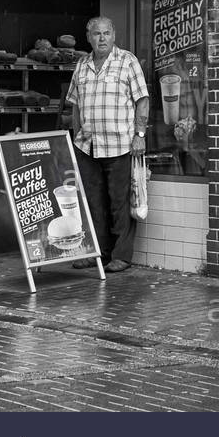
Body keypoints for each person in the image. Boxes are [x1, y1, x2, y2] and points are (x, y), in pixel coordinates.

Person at [67, 16, 150, 273]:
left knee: (119, 202)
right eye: (96, 34)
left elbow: (142, 101)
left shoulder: (127, 61)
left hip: (119, 145)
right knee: (93, 202)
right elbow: (75, 105)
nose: (101, 38)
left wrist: (140, 135)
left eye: (106, 33)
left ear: (114, 35)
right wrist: (76, 135)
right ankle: (97, 253)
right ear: (88, 37)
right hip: (88, 145)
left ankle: (121, 255)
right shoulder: (82, 65)